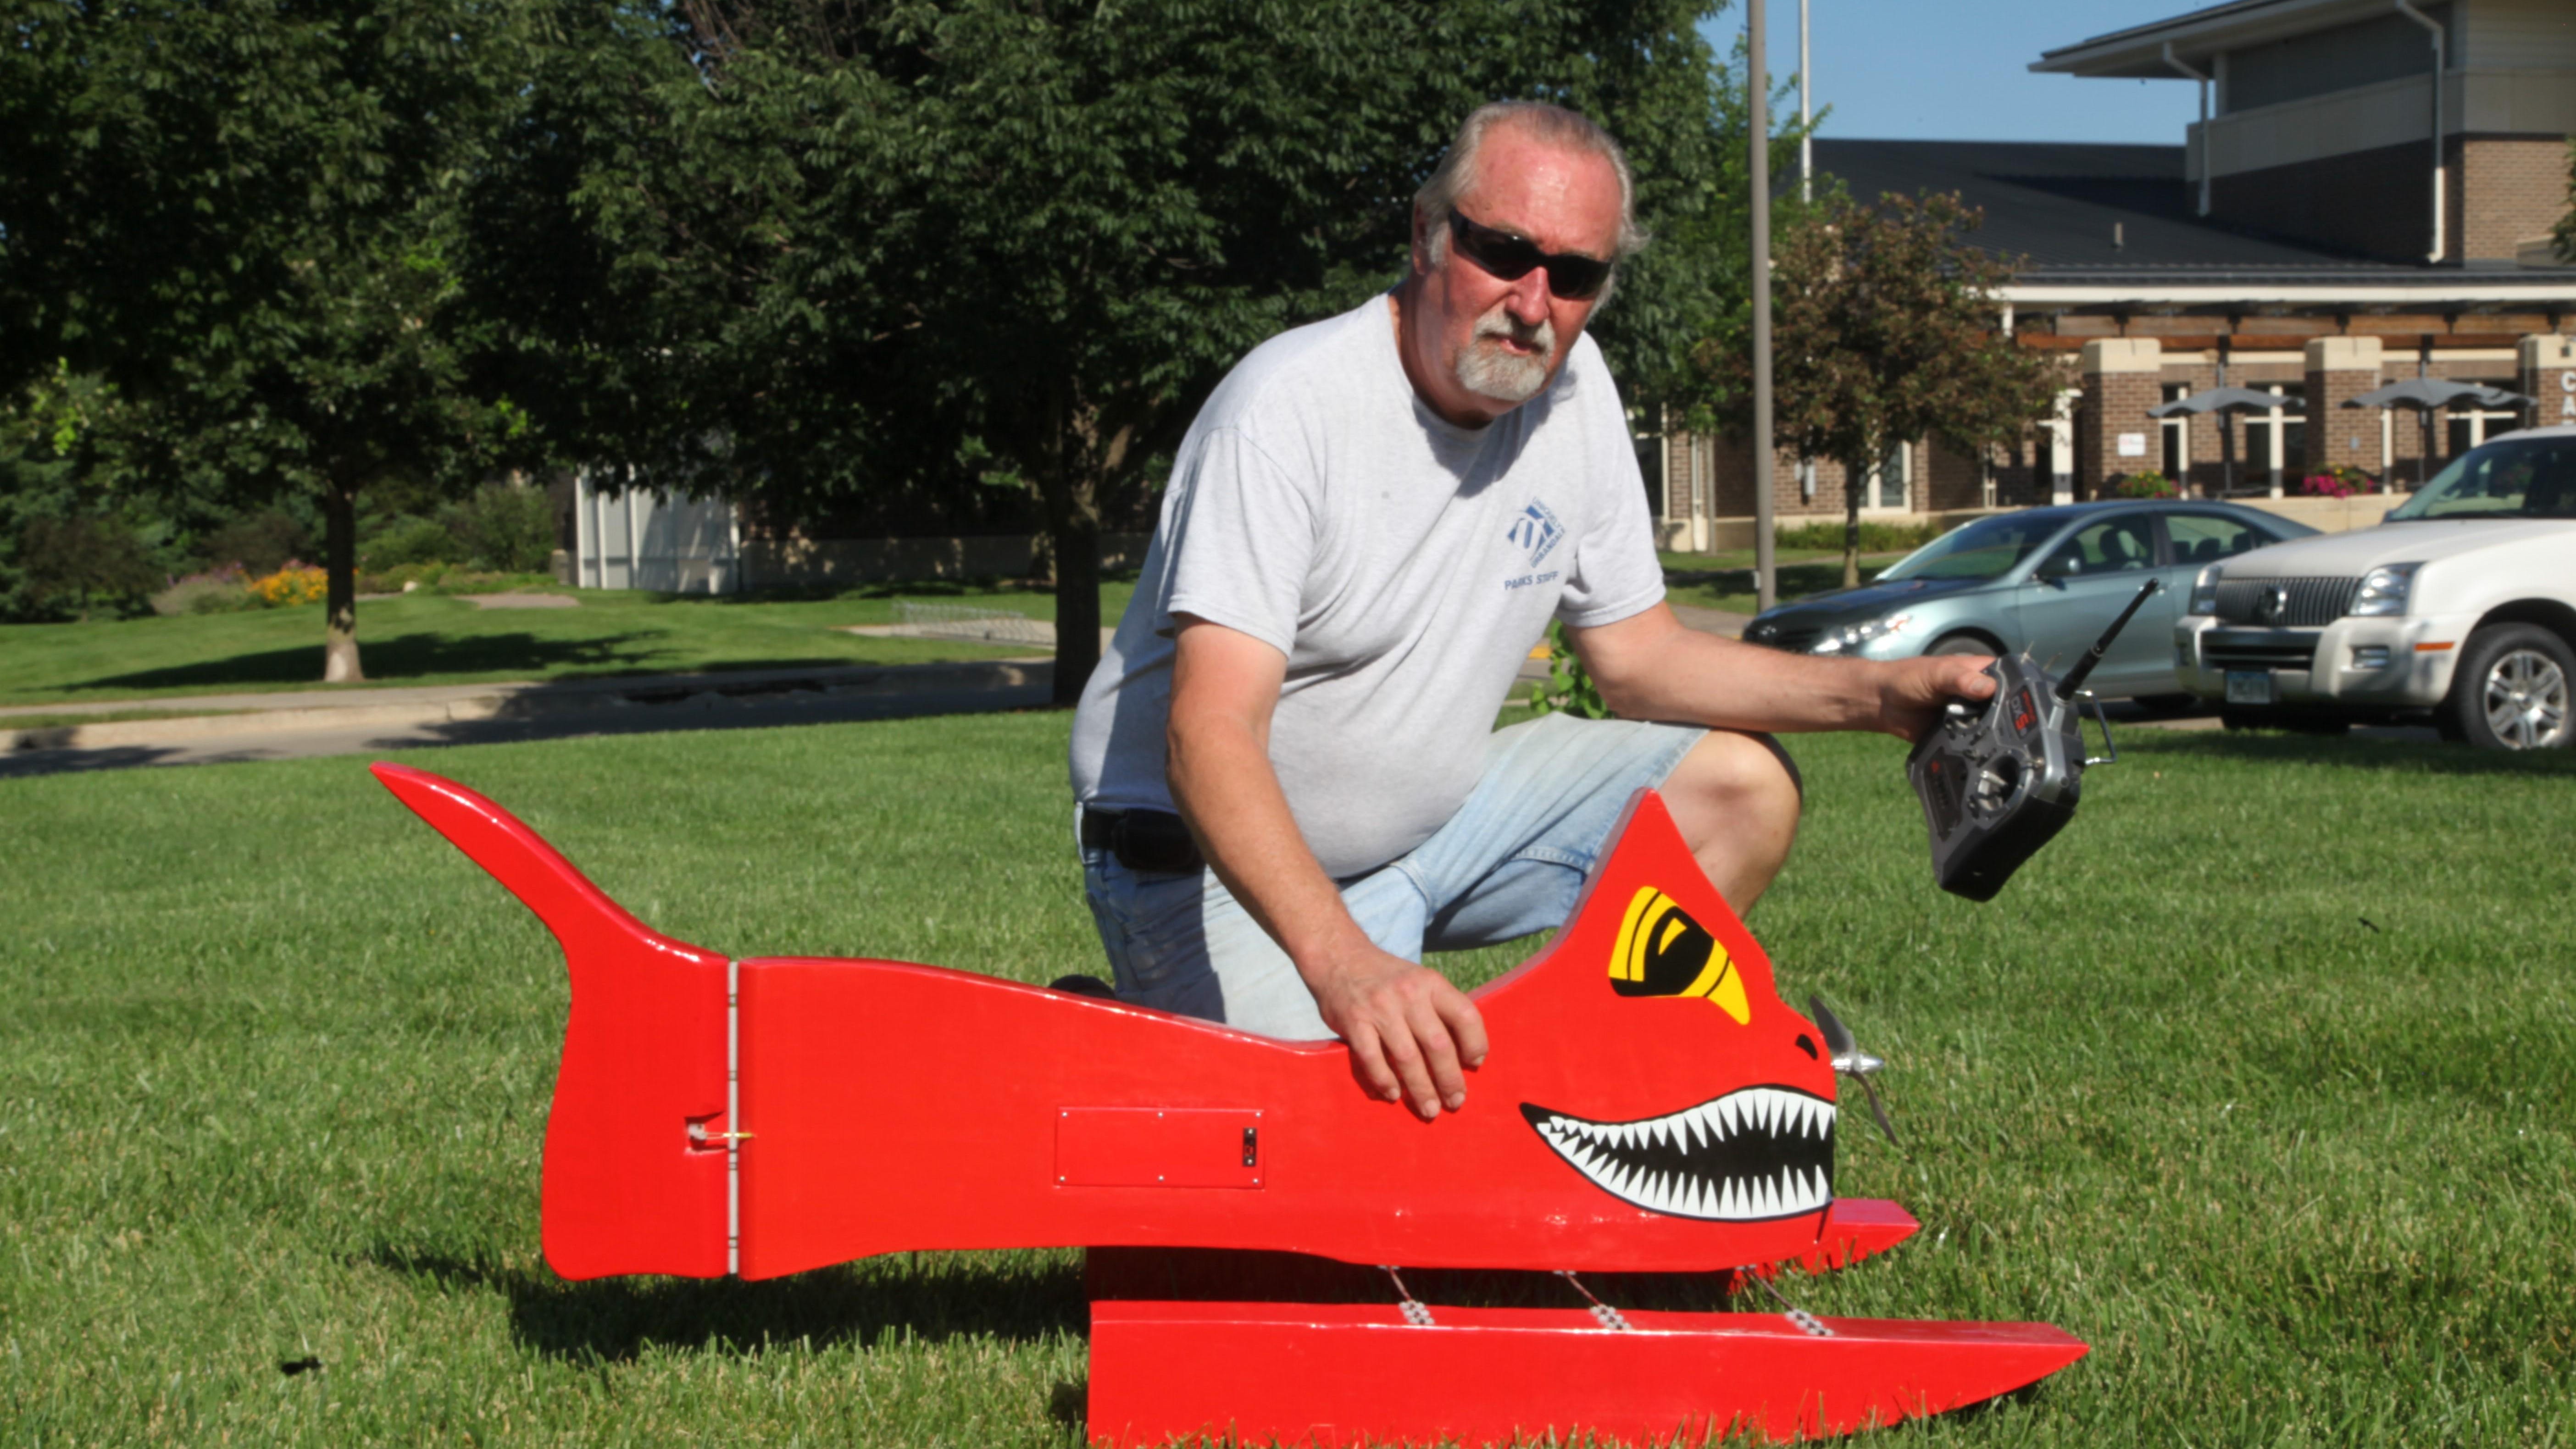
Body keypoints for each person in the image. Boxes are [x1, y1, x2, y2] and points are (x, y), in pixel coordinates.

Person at [1068, 101, 1990, 1123]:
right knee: (1340, 1164)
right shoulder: (1286, 410)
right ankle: (1127, 1043)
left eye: (1577, 273)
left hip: (1432, 835)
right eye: (1504, 250)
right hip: (1205, 871)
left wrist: (1884, 693)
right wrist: (1346, 963)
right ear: (1428, 234)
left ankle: (1572, 1085)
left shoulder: (1574, 390)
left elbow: (1640, 660)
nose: (1535, 300)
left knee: (1741, 786)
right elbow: (1208, 731)